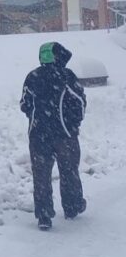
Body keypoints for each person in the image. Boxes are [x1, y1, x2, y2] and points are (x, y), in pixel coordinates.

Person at [20, 41, 87, 231]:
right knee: (69, 171)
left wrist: (36, 118)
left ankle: (44, 214)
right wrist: (73, 123)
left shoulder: (32, 77)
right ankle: (72, 205)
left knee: (41, 176)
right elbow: (79, 102)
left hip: (38, 134)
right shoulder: (66, 76)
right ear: (59, 56)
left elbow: (25, 104)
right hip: (64, 135)